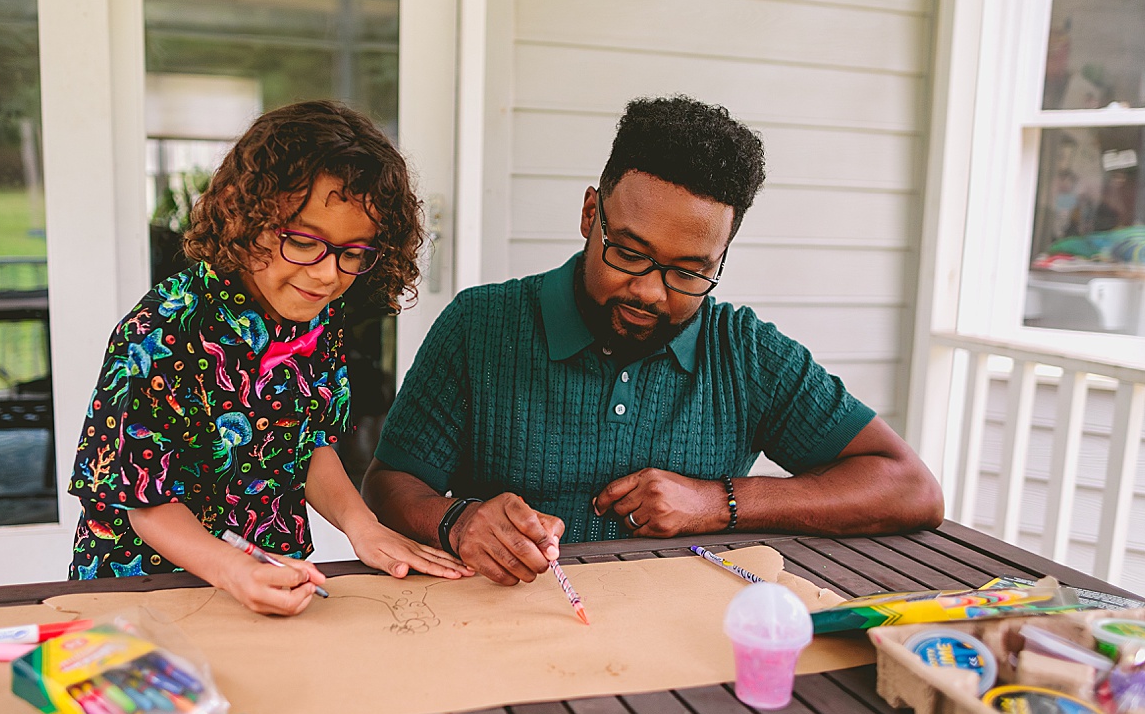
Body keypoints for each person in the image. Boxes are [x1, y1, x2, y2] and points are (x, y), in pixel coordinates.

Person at [362, 96, 943, 587]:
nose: (651, 293)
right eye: (631, 253)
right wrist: (457, 521)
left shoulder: (746, 354)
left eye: (689, 271)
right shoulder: (480, 326)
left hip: (681, 642)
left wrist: (721, 501)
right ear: (592, 214)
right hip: (500, 625)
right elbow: (390, 483)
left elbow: (909, 487)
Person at [69, 99, 470, 614]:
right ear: (246, 215)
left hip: (264, 581)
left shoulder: (314, 318)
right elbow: (146, 500)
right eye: (305, 242)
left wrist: (363, 526)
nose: (328, 274)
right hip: (144, 593)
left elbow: (308, 442)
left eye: (354, 253)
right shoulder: (162, 332)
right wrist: (233, 570)